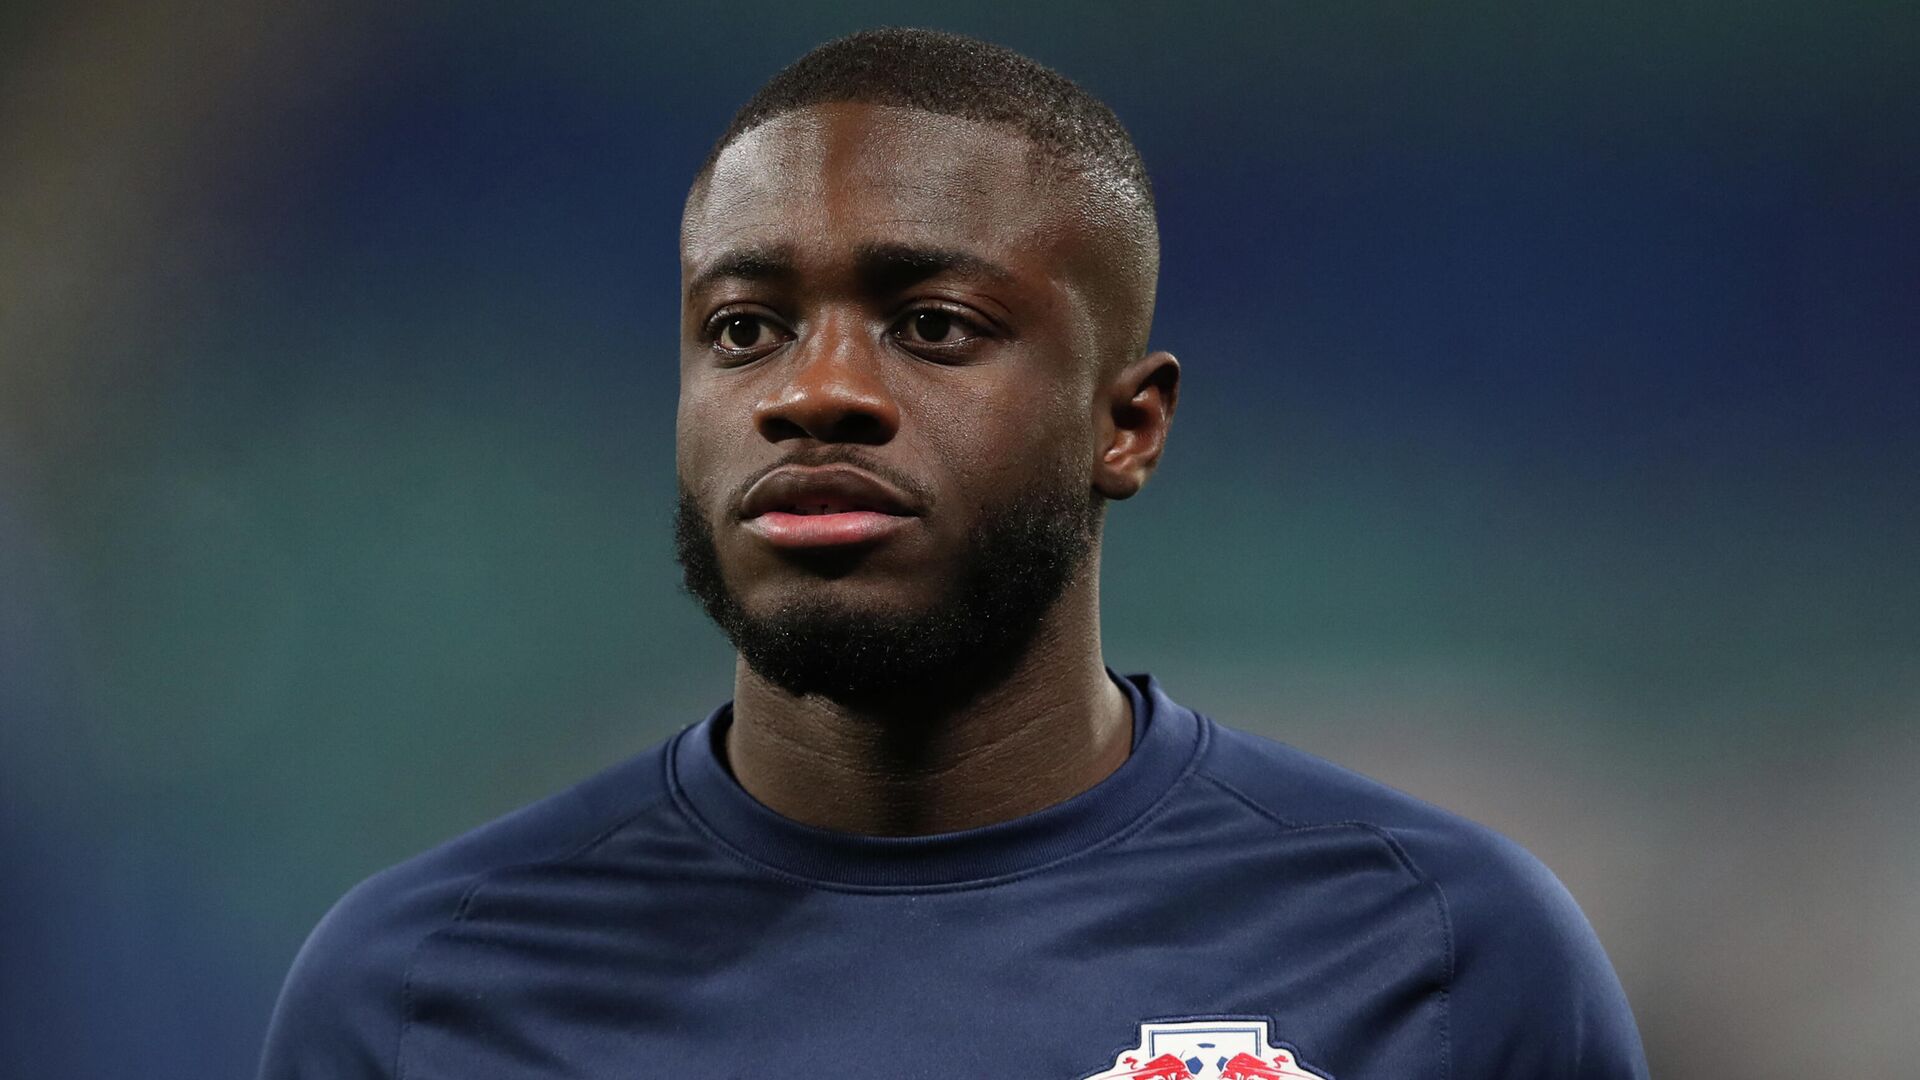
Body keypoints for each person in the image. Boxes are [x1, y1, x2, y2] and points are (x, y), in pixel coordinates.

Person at [258, 28, 1648, 1080]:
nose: (815, 391)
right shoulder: (423, 991)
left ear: (1129, 423)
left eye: (932, 324)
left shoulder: (1439, 954)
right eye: (744, 328)